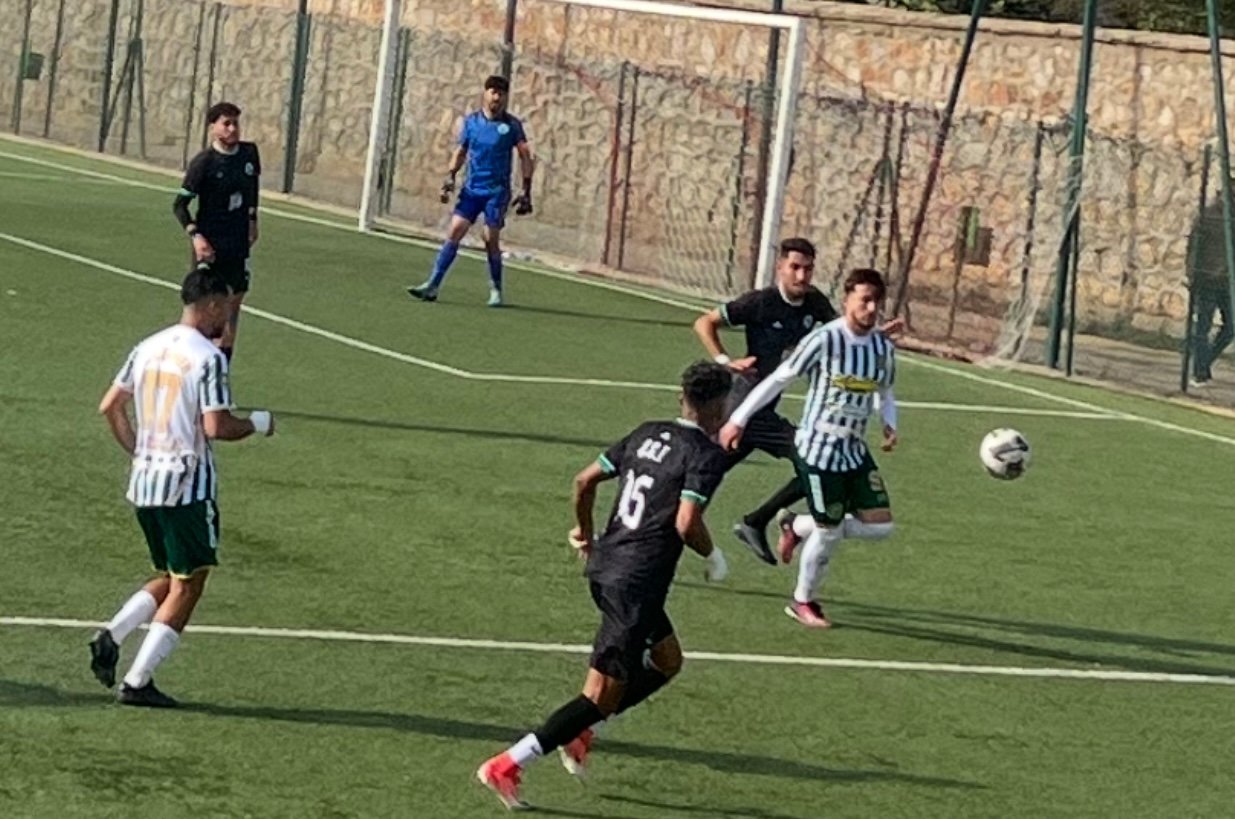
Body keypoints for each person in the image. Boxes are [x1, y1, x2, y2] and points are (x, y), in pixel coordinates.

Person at [476, 361, 733, 810]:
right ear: (717, 407)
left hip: (607, 568)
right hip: (636, 585)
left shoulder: (646, 432)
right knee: (598, 696)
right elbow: (686, 521)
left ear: (682, 398)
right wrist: (713, 556)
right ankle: (507, 764)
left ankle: (581, 732)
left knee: (667, 660)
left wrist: (585, 532)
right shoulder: (704, 455)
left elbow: (584, 480)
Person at [89, 268, 276, 707]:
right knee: (189, 583)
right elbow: (216, 427)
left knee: (172, 575)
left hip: (146, 482)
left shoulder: (148, 346)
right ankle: (138, 681)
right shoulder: (208, 358)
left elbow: (110, 406)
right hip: (187, 485)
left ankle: (112, 635)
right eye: (225, 308)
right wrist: (256, 424)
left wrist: (139, 450)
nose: (227, 319)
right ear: (210, 304)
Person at [720, 268, 898, 629]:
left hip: (854, 449)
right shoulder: (825, 339)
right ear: (847, 299)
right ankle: (802, 600)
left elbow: (885, 390)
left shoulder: (882, 347)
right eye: (865, 300)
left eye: (876, 302)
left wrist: (889, 421)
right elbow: (779, 378)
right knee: (829, 531)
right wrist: (738, 418)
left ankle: (797, 525)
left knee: (881, 526)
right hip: (819, 450)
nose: (871, 308)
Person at [407, 75, 535, 307]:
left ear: (506, 97)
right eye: (493, 92)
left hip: (496, 192)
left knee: (490, 239)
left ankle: (496, 289)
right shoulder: (472, 122)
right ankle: (433, 285)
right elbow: (461, 151)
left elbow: (525, 155)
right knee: (455, 230)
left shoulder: (512, 126)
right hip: (472, 189)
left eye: (501, 94)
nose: (497, 97)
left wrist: (526, 189)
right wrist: (450, 176)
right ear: (485, 94)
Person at [172, 102, 261, 364]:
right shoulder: (204, 163)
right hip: (210, 246)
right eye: (226, 123)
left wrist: (252, 219)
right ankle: (183, 363)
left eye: (236, 123)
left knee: (233, 304)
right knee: (202, 305)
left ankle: (221, 370)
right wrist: (196, 236)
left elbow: (252, 188)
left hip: (238, 243)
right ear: (213, 127)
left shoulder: (249, 153)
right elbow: (179, 205)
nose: (233, 129)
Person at [1187, 198, 1234, 388]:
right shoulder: (1209, 216)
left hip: (1227, 281)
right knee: (1203, 327)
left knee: (1231, 327)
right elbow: (1193, 246)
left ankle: (1203, 364)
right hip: (1207, 278)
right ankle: (1199, 372)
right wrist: (1191, 274)